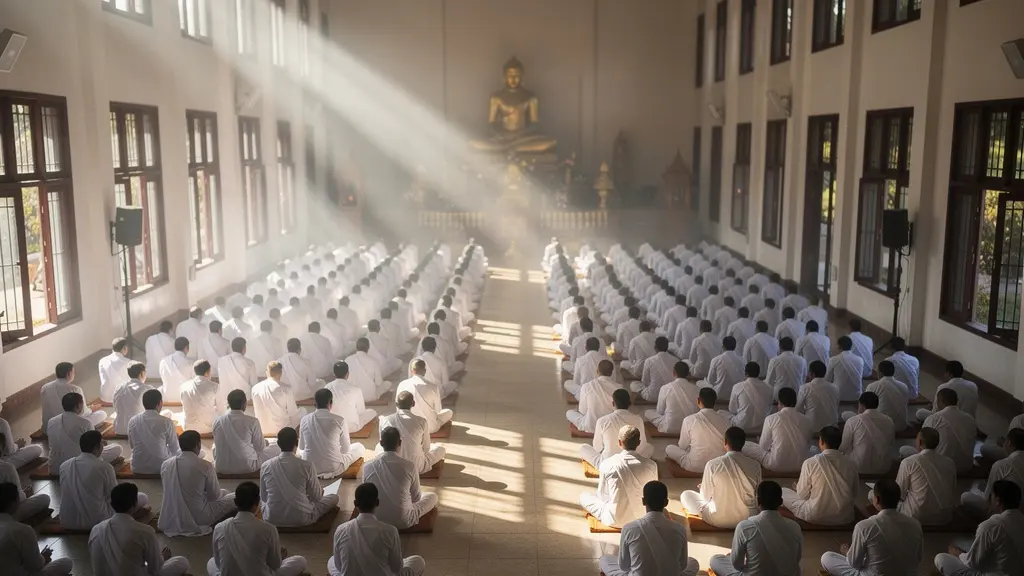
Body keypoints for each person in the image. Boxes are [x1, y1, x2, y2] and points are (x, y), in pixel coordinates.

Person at [820, 479, 923, 576]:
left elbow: (854, 564)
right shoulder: (915, 524)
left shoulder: (864, 526)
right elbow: (918, 558)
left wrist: (848, 552)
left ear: (876, 499)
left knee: (827, 557)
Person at [599, 480, 700, 576]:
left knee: (604, 560)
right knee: (693, 562)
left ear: (643, 501)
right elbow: (682, 566)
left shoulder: (629, 528)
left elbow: (624, 567)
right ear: (666, 503)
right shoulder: (679, 529)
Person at [207, 481, 308, 576]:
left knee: (211, 562)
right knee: (300, 560)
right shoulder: (269, 529)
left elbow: (218, 562)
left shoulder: (220, 527)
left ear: (235, 502)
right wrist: (278, 554)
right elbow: (275, 565)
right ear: (257, 503)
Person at [89, 483, 190, 576]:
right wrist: (163, 557)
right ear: (134, 505)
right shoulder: (145, 531)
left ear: (111, 504)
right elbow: (155, 568)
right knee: (182, 562)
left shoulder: (96, 529)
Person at [329, 482, 426, 576]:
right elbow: (397, 568)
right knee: (418, 561)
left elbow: (339, 566)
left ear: (355, 503)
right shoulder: (390, 531)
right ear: (377, 502)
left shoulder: (341, 530)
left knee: (332, 561)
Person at [708, 480, 803, 576]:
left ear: (758, 501)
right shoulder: (794, 526)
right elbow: (796, 559)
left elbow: (737, 565)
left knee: (716, 559)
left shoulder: (744, 527)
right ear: (781, 502)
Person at [59, 430, 147, 530]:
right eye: (102, 443)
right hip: (98, 522)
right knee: (142, 497)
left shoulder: (64, 466)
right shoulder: (105, 467)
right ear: (96, 447)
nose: (103, 445)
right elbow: (115, 497)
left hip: (67, 521)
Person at [934, 480, 1024, 575]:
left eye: (991, 496)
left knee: (941, 558)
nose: (989, 499)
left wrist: (959, 554)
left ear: (997, 501)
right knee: (963, 543)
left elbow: (974, 563)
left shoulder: (990, 525)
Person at [157, 430, 236, 537]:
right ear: (198, 445)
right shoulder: (205, 465)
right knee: (233, 496)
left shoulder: (166, 464)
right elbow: (214, 496)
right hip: (200, 517)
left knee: (224, 492)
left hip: (173, 515)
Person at [579, 425, 659, 528]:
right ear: (639, 443)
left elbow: (602, 496)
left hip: (615, 519)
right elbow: (653, 495)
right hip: (643, 517)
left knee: (584, 496)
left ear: (620, 443)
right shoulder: (651, 465)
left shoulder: (607, 463)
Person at [681, 427, 761, 528]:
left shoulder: (713, 464)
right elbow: (758, 495)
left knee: (685, 495)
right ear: (743, 443)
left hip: (718, 518)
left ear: (725, 442)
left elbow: (705, 497)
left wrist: (707, 489)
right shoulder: (755, 465)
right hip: (748, 518)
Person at [259, 427, 339, 527]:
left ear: (278, 444)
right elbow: (317, 497)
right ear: (296, 442)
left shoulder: (266, 465)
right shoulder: (307, 466)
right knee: (334, 497)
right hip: (302, 518)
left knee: (262, 502)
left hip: (272, 518)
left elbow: (264, 497)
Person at [363, 426, 438, 530]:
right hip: (403, 520)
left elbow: (365, 496)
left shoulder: (367, 466)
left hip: (375, 518)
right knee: (432, 496)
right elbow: (416, 498)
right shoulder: (409, 466)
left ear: (381, 443)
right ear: (399, 443)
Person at [782, 426, 859, 526]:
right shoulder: (851, 464)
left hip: (815, 515)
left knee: (783, 491)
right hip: (844, 516)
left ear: (821, 441)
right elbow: (855, 493)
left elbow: (802, 495)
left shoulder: (810, 462)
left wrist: (801, 488)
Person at [0, 482, 73, 576]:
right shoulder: (22, 530)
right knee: (66, 563)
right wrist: (43, 557)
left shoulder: (20, 530)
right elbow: (34, 566)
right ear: (13, 503)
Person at [902, 388, 977, 474]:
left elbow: (921, 444)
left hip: (940, 467)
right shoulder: (970, 419)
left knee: (904, 450)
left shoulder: (934, 418)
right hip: (966, 466)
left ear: (941, 401)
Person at [895, 427, 958, 526]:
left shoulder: (908, 462)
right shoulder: (950, 463)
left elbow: (899, 493)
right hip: (944, 516)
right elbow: (953, 490)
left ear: (919, 442)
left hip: (916, 517)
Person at [743, 387, 815, 473]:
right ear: (795, 402)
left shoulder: (771, 418)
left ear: (779, 402)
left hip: (776, 464)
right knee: (814, 448)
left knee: (746, 445)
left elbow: (763, 446)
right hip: (801, 465)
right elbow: (807, 443)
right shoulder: (807, 420)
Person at [299, 389, 366, 478]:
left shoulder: (305, 420)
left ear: (314, 403)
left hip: (311, 467)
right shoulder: (339, 420)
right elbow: (345, 450)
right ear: (330, 403)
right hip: (334, 467)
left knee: (301, 453)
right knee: (359, 447)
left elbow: (302, 447)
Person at [47, 392, 121, 470]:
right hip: (78, 466)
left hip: (54, 466)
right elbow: (94, 450)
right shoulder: (85, 423)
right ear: (78, 406)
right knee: (117, 448)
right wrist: (101, 443)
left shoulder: (51, 421)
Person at [213, 390, 281, 475]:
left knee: (214, 448)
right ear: (244, 404)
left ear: (229, 404)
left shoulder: (217, 421)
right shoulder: (253, 421)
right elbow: (260, 448)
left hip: (221, 467)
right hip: (247, 466)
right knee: (276, 448)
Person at [581, 390, 654, 468]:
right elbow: (642, 445)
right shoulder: (638, 420)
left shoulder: (602, 421)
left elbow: (597, 447)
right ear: (630, 403)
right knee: (650, 447)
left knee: (583, 448)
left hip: (609, 464)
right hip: (632, 461)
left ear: (613, 403)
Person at [378, 392, 445, 475]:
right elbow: (426, 448)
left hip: (390, 465)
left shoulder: (385, 420)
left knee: (378, 446)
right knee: (440, 449)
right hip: (415, 466)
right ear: (413, 403)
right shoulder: (421, 421)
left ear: (396, 404)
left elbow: (383, 444)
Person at [961, 428, 1024, 517]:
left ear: (1009, 443)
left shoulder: (1002, 465)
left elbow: (989, 499)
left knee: (965, 496)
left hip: (1009, 512)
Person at [666, 388, 731, 473]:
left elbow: (682, 445)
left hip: (695, 465)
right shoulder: (726, 421)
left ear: (698, 400)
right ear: (715, 402)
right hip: (718, 465)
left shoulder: (689, 420)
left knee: (669, 448)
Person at [840, 392, 896, 475]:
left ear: (862, 405)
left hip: (859, 467)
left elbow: (844, 447)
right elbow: (891, 443)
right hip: (884, 466)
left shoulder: (853, 421)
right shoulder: (889, 421)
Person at [41, 361, 107, 431]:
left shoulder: (45, 387)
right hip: (69, 428)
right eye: (73, 372)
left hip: (48, 427)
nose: (74, 374)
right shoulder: (75, 389)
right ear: (69, 374)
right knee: (102, 414)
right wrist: (91, 409)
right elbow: (82, 413)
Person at [127, 389, 181, 474]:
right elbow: (174, 449)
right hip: (161, 467)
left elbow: (132, 445)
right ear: (160, 403)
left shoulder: (133, 420)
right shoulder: (166, 422)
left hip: (137, 467)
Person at [397, 360, 453, 434]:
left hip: (408, 427)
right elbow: (438, 410)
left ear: (412, 371)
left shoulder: (402, 385)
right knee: (449, 412)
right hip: (429, 427)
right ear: (425, 371)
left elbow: (398, 408)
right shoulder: (433, 387)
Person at [644, 361, 698, 435]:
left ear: (673, 373)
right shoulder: (696, 389)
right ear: (688, 374)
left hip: (671, 427)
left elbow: (660, 411)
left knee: (648, 412)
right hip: (691, 426)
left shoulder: (665, 388)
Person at [252, 361, 307, 433]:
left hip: (262, 429)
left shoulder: (255, 388)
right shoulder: (286, 389)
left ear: (267, 372)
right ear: (281, 373)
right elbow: (293, 413)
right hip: (282, 430)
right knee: (303, 412)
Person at [567, 360, 620, 433]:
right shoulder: (619, 388)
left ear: (597, 371)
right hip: (610, 426)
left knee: (569, 413)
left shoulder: (587, 386)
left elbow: (582, 411)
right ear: (611, 373)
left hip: (591, 426)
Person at [326, 361, 378, 434]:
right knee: (372, 412)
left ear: (334, 374)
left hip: (332, 427)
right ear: (348, 374)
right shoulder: (355, 389)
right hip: (352, 427)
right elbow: (361, 411)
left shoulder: (327, 387)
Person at [859, 360, 910, 433]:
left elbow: (865, 407)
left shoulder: (872, 386)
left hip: (881, 426)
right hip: (901, 426)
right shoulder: (904, 386)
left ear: (880, 373)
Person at [725, 362, 773, 435]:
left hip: (742, 426)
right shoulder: (769, 388)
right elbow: (769, 408)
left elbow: (732, 409)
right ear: (759, 373)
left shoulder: (737, 386)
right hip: (762, 426)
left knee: (720, 413)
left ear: (745, 373)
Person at [795, 361, 840, 433]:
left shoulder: (805, 387)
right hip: (831, 428)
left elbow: (798, 409)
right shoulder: (835, 388)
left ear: (812, 373)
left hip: (812, 427)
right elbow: (836, 406)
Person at [0, 458, 49, 522]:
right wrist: (25, 494)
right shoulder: (6, 467)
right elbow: (17, 501)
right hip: (6, 514)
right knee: (44, 498)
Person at [112, 362, 154, 435]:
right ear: (142, 374)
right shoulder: (147, 389)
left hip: (119, 428)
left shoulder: (118, 388)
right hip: (138, 429)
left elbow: (115, 408)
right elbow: (154, 411)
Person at [345, 337, 392, 403]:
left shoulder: (348, 360)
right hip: (370, 396)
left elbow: (345, 381)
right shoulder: (373, 361)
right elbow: (379, 383)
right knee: (388, 383)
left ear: (356, 347)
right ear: (368, 347)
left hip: (353, 396)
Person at [700, 336, 745, 402]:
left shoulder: (716, 360)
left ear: (723, 346)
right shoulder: (742, 360)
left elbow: (710, 381)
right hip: (738, 394)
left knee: (700, 383)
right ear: (735, 347)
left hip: (719, 394)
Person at [180, 360, 220, 434]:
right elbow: (221, 409)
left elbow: (184, 404)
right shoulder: (215, 386)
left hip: (189, 427)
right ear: (207, 372)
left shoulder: (184, 386)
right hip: (208, 428)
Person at [764, 337, 807, 402]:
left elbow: (769, 382)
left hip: (779, 396)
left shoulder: (775, 360)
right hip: (797, 394)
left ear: (780, 347)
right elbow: (804, 379)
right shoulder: (802, 360)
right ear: (793, 347)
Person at [218, 337, 259, 405]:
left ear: (232, 347)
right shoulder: (249, 363)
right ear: (244, 348)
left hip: (226, 400)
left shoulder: (222, 361)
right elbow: (254, 384)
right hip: (245, 400)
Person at [826, 336, 865, 403]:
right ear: (851, 346)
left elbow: (827, 379)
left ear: (839, 346)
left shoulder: (833, 360)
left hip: (838, 395)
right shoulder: (860, 360)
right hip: (856, 395)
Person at [97, 338, 132, 403]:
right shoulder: (127, 362)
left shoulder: (102, 361)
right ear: (124, 348)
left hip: (105, 396)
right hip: (121, 397)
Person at [158, 336, 192, 402]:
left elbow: (162, 377)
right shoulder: (190, 363)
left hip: (167, 396)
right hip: (185, 397)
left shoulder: (164, 361)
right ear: (186, 348)